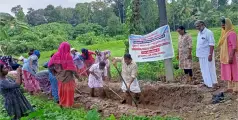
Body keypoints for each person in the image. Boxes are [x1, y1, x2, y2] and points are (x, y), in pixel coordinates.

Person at [48, 42, 80, 108]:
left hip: (60, 78)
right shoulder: (68, 56)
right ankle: (68, 105)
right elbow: (72, 69)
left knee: (62, 91)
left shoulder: (56, 55)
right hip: (68, 78)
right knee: (69, 91)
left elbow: (50, 66)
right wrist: (78, 77)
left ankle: (62, 104)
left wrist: (55, 74)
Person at [195, 20, 218, 88]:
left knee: (210, 68)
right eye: (196, 27)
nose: (197, 28)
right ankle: (206, 83)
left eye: (198, 26)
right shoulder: (199, 33)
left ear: (202, 25)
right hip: (201, 55)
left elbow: (212, 44)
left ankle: (214, 83)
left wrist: (210, 55)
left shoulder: (208, 32)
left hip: (207, 55)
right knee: (203, 69)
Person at [218, 18, 238, 93]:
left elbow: (234, 46)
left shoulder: (232, 33)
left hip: (230, 56)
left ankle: (236, 88)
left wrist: (231, 57)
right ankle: (230, 87)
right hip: (225, 56)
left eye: (224, 25)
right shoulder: (224, 33)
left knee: (234, 70)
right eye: (222, 25)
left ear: (228, 25)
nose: (222, 26)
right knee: (228, 71)